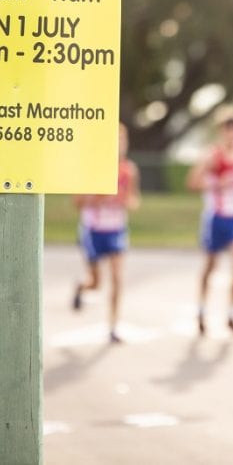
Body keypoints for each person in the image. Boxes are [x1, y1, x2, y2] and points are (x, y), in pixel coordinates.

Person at [187, 105, 233, 336]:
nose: (232, 134)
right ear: (221, 131)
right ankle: (201, 309)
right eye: (228, 129)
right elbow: (192, 183)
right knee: (210, 266)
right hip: (216, 217)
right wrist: (219, 183)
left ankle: (231, 313)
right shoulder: (212, 155)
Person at [71, 123, 141, 344]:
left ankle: (113, 326)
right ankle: (81, 288)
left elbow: (134, 201)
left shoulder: (129, 170)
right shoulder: (93, 168)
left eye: (123, 142)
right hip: (93, 230)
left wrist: (125, 200)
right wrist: (100, 197)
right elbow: (78, 202)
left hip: (116, 230)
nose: (120, 147)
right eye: (115, 142)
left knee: (118, 278)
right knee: (96, 283)